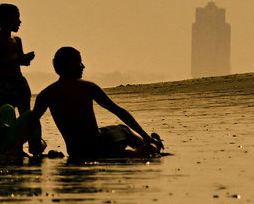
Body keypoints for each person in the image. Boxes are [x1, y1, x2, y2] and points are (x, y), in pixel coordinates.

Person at [12, 47, 164, 159]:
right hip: (97, 144)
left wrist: (16, 148)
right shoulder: (87, 87)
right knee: (124, 130)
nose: (83, 66)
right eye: (79, 63)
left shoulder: (47, 94)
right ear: (69, 65)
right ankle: (151, 145)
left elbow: (31, 123)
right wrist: (145, 135)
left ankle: (139, 150)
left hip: (76, 151)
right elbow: (118, 111)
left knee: (115, 143)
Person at [0, 4, 42, 156]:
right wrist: (17, 59)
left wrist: (26, 58)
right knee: (8, 116)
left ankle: (34, 145)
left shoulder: (17, 40)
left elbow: (22, 61)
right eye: (16, 18)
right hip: (5, 84)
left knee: (27, 113)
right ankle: (13, 147)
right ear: (6, 20)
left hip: (19, 82)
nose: (19, 22)